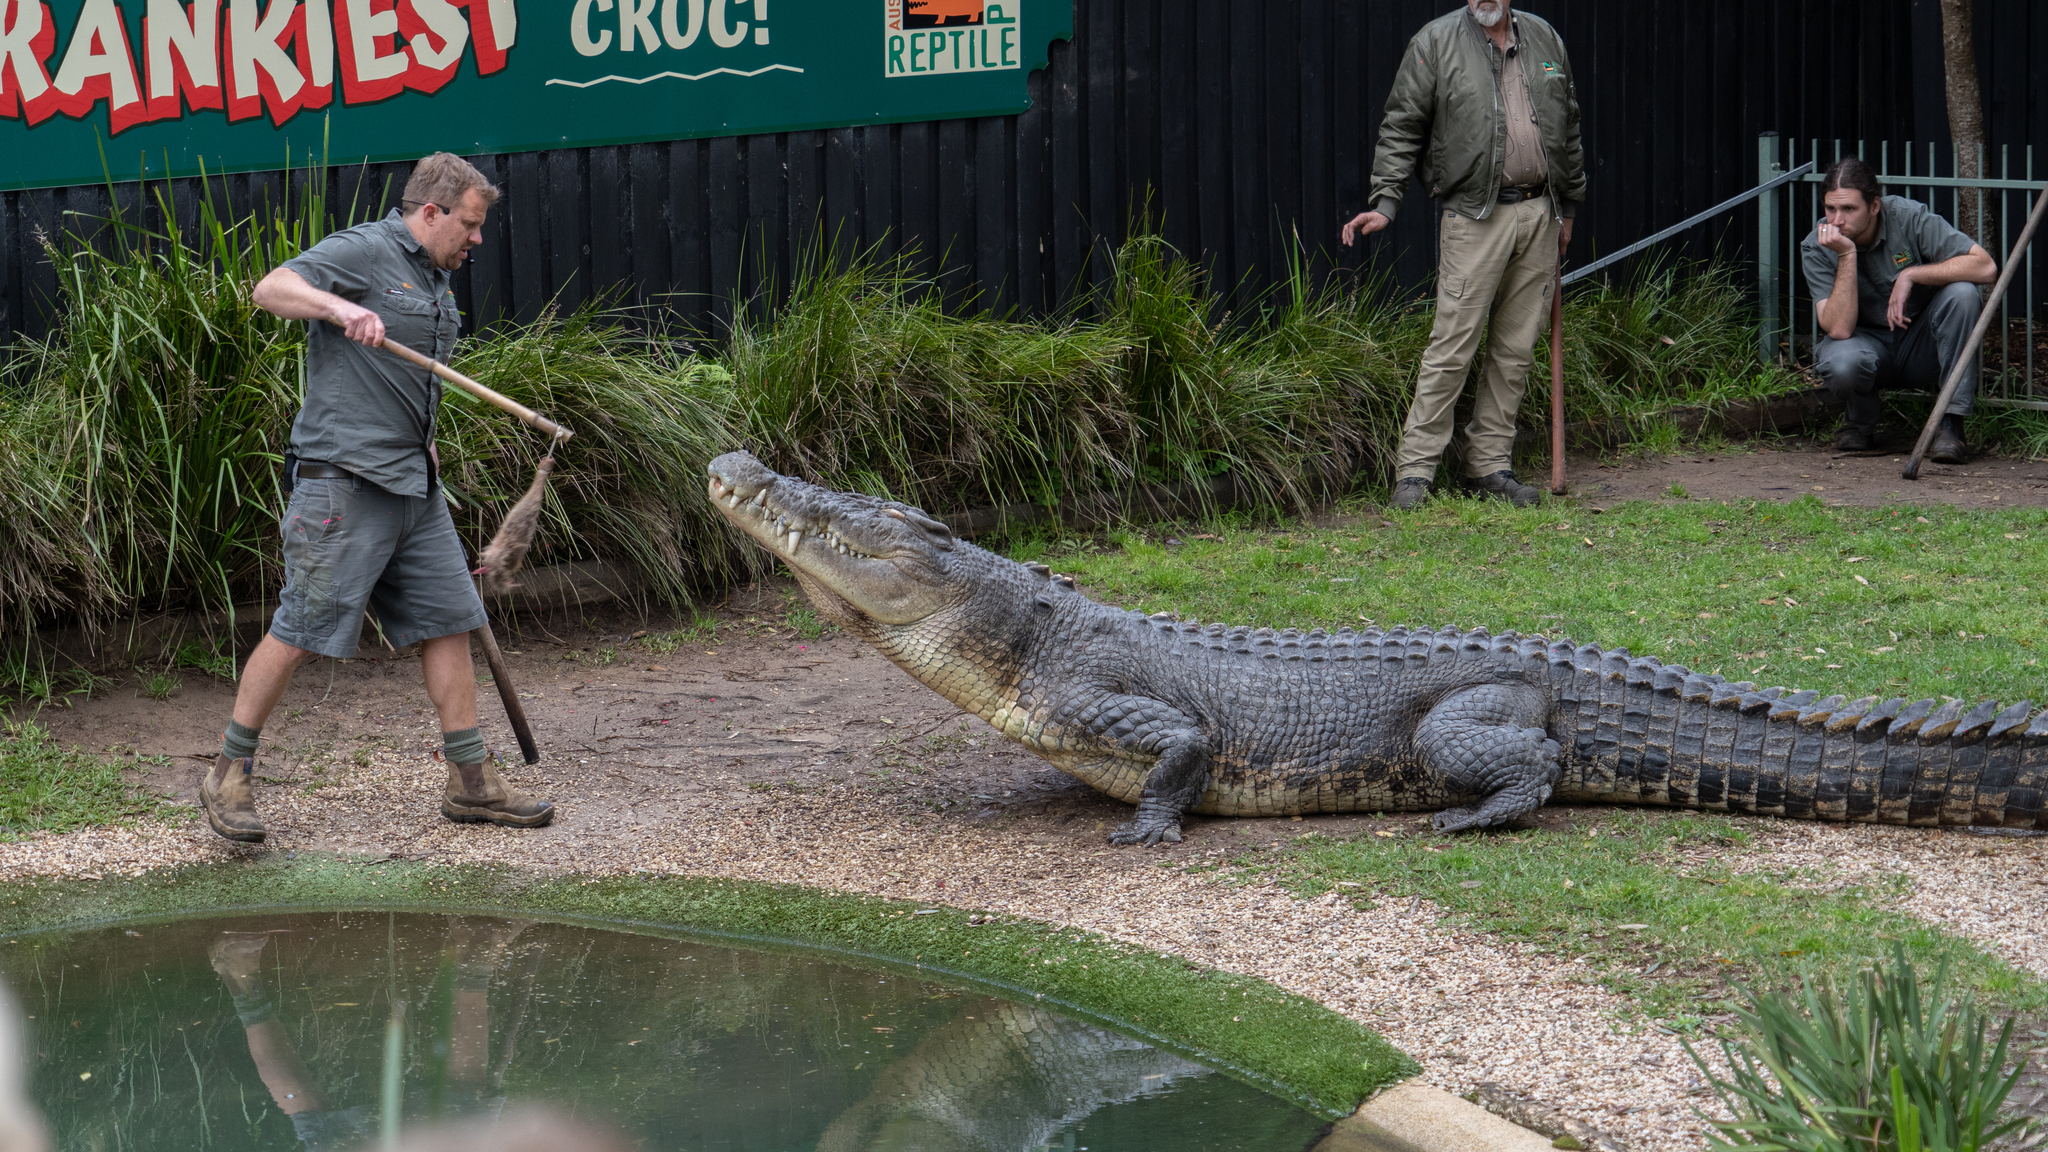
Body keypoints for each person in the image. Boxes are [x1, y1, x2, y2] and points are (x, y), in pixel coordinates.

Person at [201, 152, 554, 844]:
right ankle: (228, 773)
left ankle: (471, 781)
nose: (477, 239)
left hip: (412, 487)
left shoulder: (433, 278)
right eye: (470, 225)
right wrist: (337, 307)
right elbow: (270, 288)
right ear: (431, 212)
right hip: (343, 485)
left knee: (447, 621)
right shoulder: (365, 250)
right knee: (301, 630)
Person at [1340, 0, 1585, 510]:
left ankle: (1490, 466)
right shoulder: (1435, 41)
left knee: (1516, 350)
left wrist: (1568, 210)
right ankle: (1415, 473)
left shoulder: (1545, 38)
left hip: (1540, 213)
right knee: (1452, 344)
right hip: (1474, 217)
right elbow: (1401, 123)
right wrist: (1386, 201)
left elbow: (1569, 126)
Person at [1802, 157, 1997, 461]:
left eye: (1849, 209)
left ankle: (1950, 424)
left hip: (1922, 342)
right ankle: (1859, 423)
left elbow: (1985, 267)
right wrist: (1847, 256)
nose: (1836, 220)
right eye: (1830, 209)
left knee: (1963, 293)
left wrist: (1912, 274)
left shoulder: (1908, 218)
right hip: (1865, 346)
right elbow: (1839, 328)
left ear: (1875, 206)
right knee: (1841, 361)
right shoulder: (1817, 246)